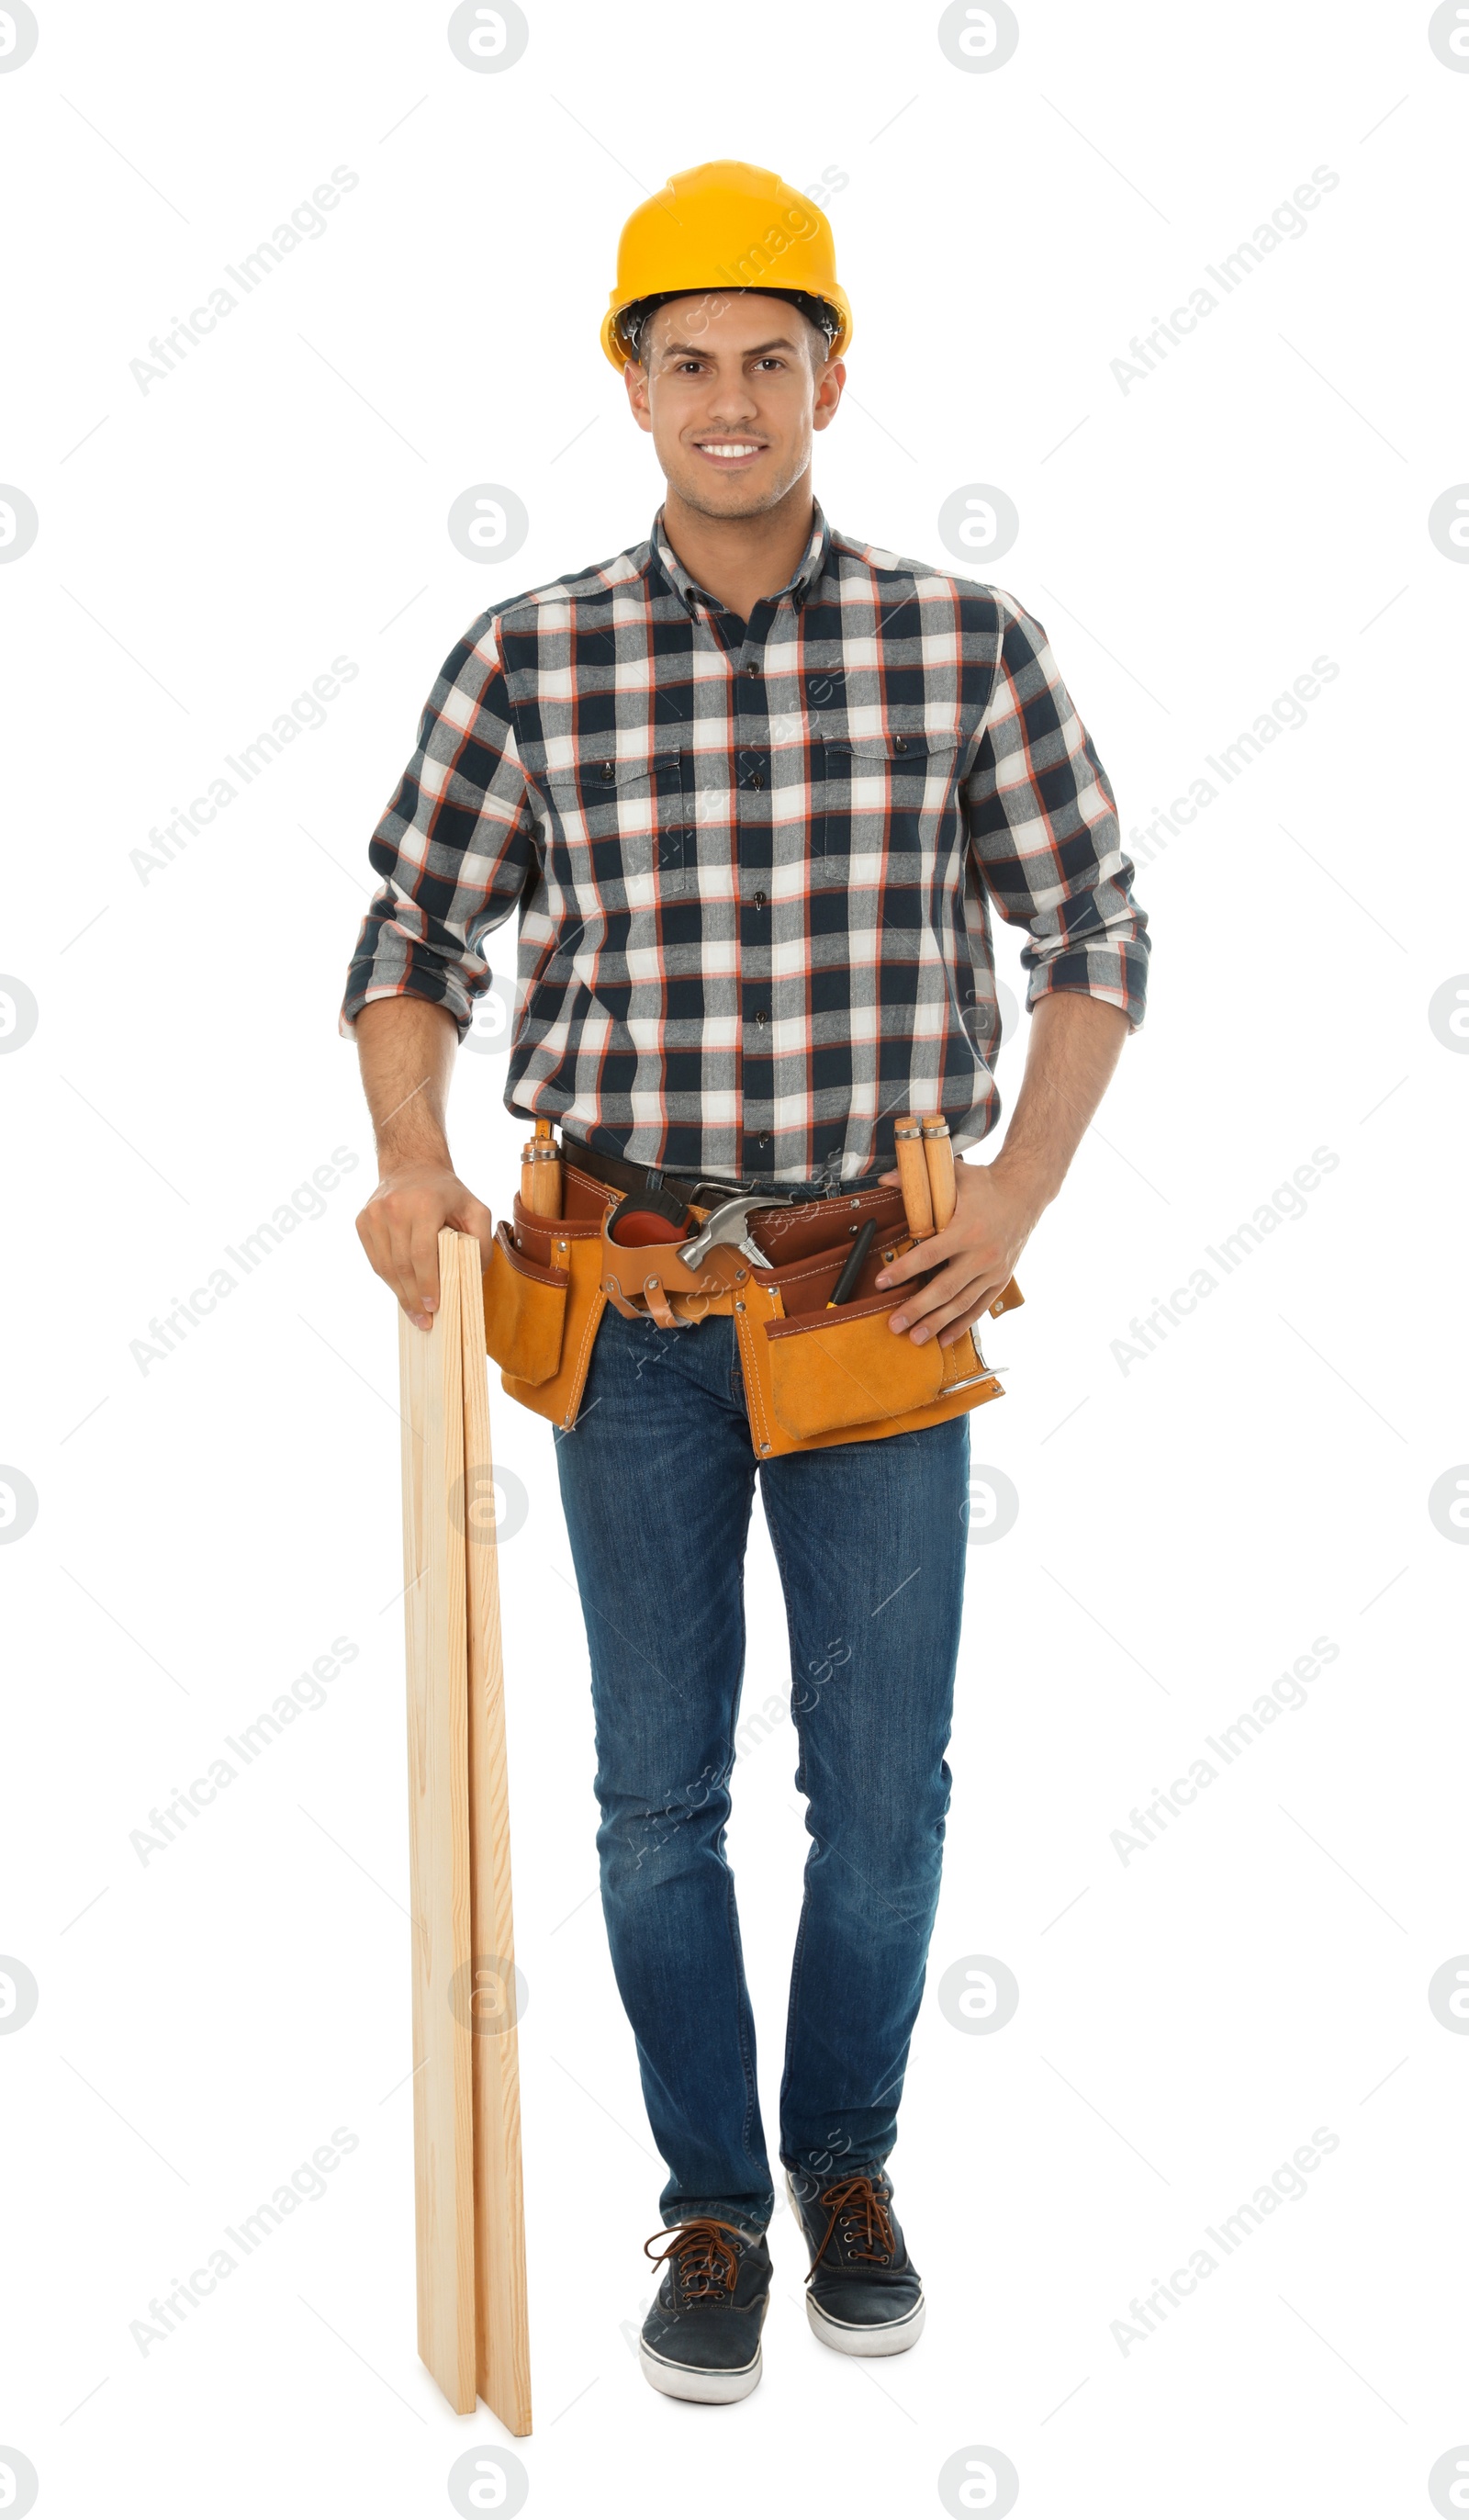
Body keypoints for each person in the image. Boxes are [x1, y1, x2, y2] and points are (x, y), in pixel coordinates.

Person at [343, 161, 1149, 2405]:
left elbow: (1093, 935)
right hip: (621, 1301)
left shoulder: (957, 642)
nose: (726, 400)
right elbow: (410, 943)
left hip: (873, 1290)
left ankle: (848, 2163)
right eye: (682, 360)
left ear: (830, 378)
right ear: (626, 383)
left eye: (764, 361)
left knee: (880, 1798)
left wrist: (1014, 1199)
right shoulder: (531, 654)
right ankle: (710, 2206)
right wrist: (415, 1157)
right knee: (648, 1796)